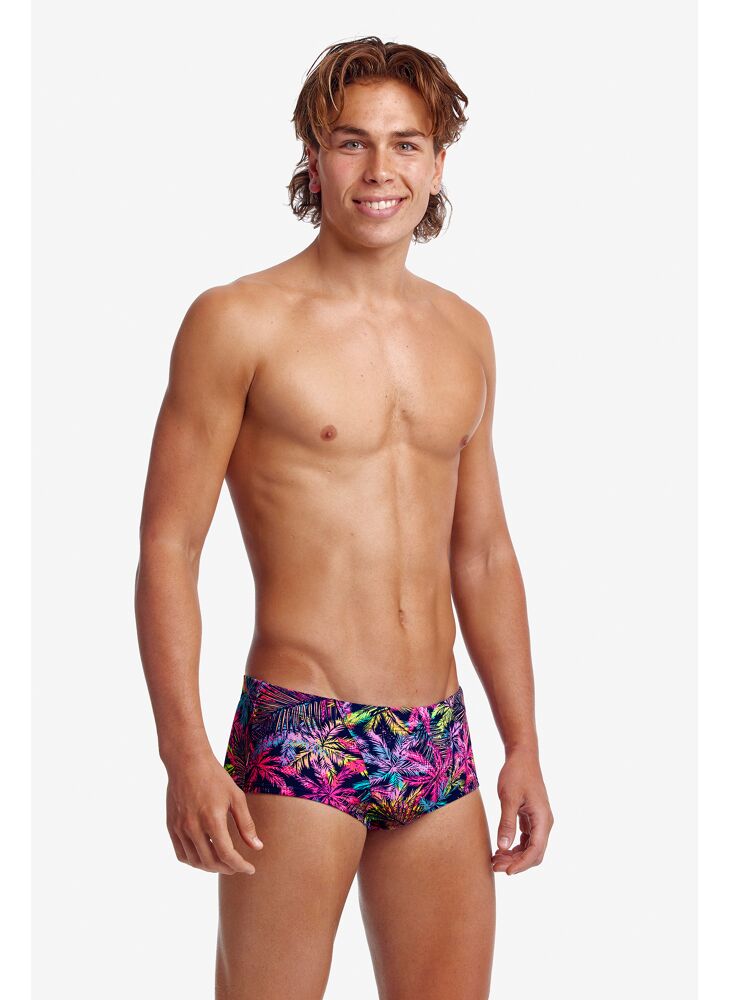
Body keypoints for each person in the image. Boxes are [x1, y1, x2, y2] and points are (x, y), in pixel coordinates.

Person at [135, 35, 554, 1000]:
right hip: (300, 735)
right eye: (352, 141)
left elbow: (484, 554)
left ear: (438, 164)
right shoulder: (238, 321)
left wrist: (523, 742)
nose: (380, 170)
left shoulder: (465, 333)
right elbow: (168, 545)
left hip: (439, 742)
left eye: (407, 144)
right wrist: (184, 752)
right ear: (313, 157)